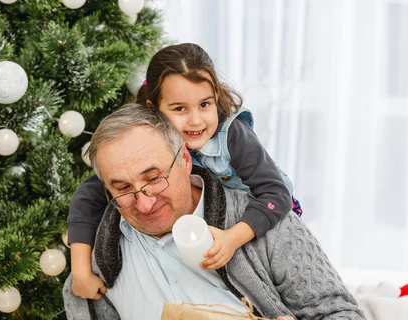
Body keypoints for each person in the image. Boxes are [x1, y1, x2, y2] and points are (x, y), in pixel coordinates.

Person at [62, 103, 380, 320]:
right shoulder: (95, 268)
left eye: (154, 178)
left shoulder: (260, 221)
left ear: (185, 160)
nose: (144, 203)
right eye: (123, 189)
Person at [68, 43, 302, 301]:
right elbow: (89, 195)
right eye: (180, 109)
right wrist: (80, 271)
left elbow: (276, 193)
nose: (195, 121)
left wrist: (233, 238)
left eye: (204, 104)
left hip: (262, 218)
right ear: (152, 108)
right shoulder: (150, 143)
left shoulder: (233, 135)